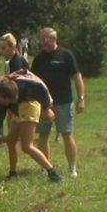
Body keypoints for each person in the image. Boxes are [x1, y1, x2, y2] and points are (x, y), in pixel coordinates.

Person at [31, 27, 85, 178]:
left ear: (53, 39)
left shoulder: (66, 55)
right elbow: (34, 81)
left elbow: (77, 77)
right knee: (43, 135)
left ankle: (72, 168)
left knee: (67, 134)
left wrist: (81, 98)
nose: (42, 42)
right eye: (41, 39)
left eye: (44, 39)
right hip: (44, 104)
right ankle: (45, 166)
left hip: (64, 102)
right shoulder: (38, 58)